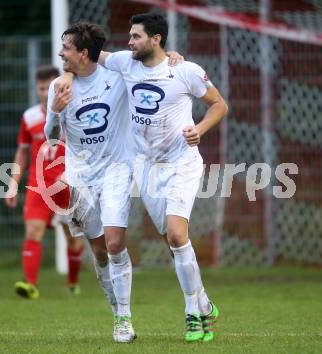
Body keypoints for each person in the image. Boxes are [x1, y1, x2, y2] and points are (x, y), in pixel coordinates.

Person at [98, 13, 228, 342]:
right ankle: (205, 305)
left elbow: (218, 105)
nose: (129, 41)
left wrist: (198, 130)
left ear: (156, 39)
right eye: (129, 36)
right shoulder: (125, 63)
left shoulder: (184, 70)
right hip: (146, 167)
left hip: (182, 164)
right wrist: (68, 68)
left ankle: (192, 315)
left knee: (175, 233)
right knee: (171, 241)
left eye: (136, 36)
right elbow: (87, 53)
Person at [44, 22, 137, 343]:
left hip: (116, 170)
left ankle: (124, 318)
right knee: (98, 253)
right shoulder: (60, 87)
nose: (60, 53)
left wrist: (174, 58)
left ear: (84, 53)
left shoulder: (117, 76)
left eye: (66, 47)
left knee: (114, 243)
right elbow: (51, 139)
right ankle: (115, 310)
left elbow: (149, 63)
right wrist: (56, 112)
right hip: (81, 178)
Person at [5, 65, 84, 300]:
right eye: (41, 88)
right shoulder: (29, 118)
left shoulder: (74, 114)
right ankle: (30, 285)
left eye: (49, 87)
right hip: (37, 186)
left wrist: (73, 173)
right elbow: (22, 152)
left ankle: (73, 282)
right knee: (33, 230)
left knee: (72, 238)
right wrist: (12, 183)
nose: (45, 92)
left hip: (66, 186)